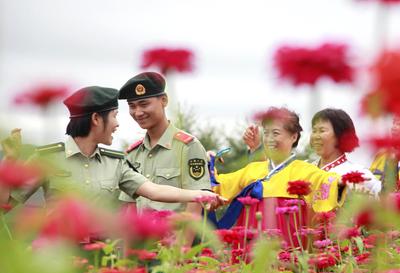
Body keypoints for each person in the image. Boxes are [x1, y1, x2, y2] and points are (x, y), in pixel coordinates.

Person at [1, 86, 221, 209]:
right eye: (114, 116)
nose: (118, 124)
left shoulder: (116, 162)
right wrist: (9, 161)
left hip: (100, 263)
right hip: (58, 265)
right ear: (96, 119)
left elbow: (155, 191)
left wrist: (201, 195)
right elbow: (5, 204)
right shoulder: (46, 159)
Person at [212, 107, 343, 247]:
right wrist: (206, 162)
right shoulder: (253, 170)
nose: (269, 139)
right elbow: (218, 185)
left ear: (294, 137)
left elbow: (330, 183)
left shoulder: (305, 171)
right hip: (250, 245)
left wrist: (350, 182)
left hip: (287, 247)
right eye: (266, 133)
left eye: (275, 133)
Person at [118, 72, 212, 215]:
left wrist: (182, 239)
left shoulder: (188, 146)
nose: (137, 113)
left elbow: (195, 205)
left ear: (164, 100)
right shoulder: (132, 153)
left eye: (144, 104)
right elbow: (130, 206)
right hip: (141, 236)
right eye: (132, 106)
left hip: (173, 234)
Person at [243, 108, 381, 195]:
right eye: (314, 131)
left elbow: (382, 201)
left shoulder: (358, 174)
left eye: (322, 131)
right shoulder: (303, 168)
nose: (315, 136)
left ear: (341, 136)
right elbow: (270, 180)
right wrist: (257, 149)